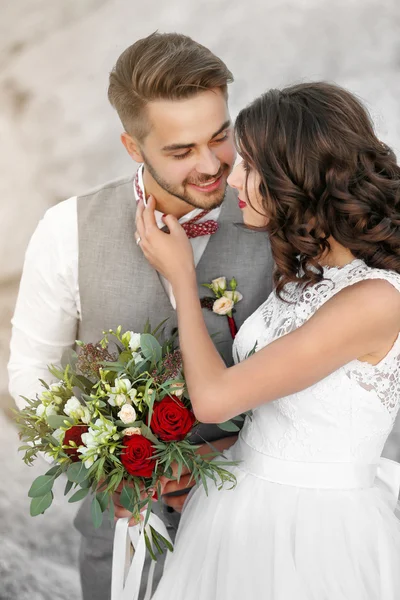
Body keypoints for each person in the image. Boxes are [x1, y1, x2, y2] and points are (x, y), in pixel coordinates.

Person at [7, 33, 274, 600]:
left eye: (220, 137)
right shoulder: (65, 230)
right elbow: (31, 373)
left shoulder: (275, 222)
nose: (209, 165)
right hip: (121, 540)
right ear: (133, 146)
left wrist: (219, 454)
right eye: (180, 151)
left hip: (253, 531)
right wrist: (104, 460)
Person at [135, 81, 400, 599]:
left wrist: (182, 280)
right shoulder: (311, 271)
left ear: (295, 177)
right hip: (244, 504)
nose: (231, 177)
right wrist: (201, 464)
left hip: (312, 533)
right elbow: (294, 413)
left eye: (250, 167)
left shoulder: (376, 299)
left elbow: (214, 399)